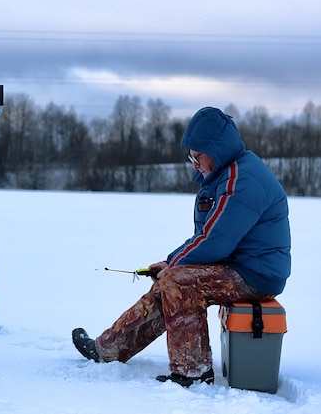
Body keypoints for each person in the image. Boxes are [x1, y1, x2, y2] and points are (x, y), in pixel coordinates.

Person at [72, 106, 291, 387]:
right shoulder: (225, 175)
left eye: (197, 157)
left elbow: (215, 241)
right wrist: (171, 262)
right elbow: (208, 236)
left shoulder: (242, 179)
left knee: (179, 282)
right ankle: (108, 349)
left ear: (217, 150)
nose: (194, 164)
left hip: (257, 274)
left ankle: (193, 371)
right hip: (238, 265)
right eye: (192, 157)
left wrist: (174, 266)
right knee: (170, 281)